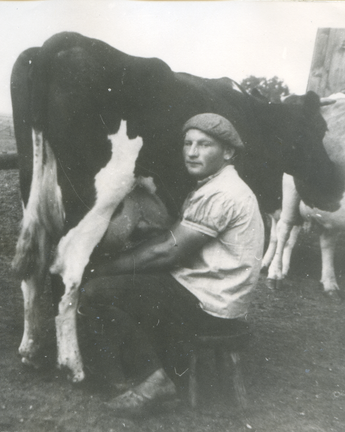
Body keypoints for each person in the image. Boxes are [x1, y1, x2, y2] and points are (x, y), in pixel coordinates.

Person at [77, 113, 265, 415]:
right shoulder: (219, 185)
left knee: (97, 291)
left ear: (228, 152)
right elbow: (174, 240)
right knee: (135, 281)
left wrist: (104, 266)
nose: (191, 152)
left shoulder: (222, 193)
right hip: (217, 295)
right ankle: (149, 371)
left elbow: (167, 252)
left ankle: (153, 379)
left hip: (210, 306)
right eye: (188, 143)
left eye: (204, 145)